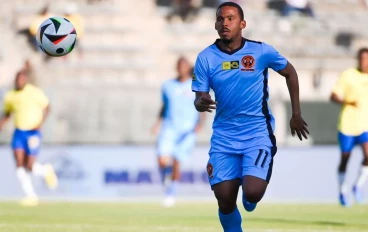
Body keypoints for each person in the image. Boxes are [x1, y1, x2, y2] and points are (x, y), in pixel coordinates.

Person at [192, 2, 309, 231]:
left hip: (257, 133)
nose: (224, 23)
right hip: (224, 136)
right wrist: (200, 102)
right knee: (225, 201)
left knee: (252, 193)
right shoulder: (205, 58)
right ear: (215, 24)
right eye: (220, 19)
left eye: (230, 18)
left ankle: (250, 195)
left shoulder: (261, 52)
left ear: (242, 23)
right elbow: (199, 97)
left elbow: (290, 72)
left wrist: (296, 113)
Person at [152, 57, 205, 207]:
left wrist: (200, 124)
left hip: (187, 130)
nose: (182, 67)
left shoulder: (196, 85)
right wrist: (157, 123)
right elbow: (164, 105)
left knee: (176, 160)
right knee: (162, 160)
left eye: (184, 65)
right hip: (169, 127)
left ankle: (171, 193)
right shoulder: (168, 86)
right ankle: (166, 179)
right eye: (179, 65)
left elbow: (203, 105)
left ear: (188, 68)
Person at [0, 71, 58, 206]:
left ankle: (45, 170)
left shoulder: (34, 92)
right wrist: (2, 123)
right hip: (19, 133)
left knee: (30, 166)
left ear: (25, 80)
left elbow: (48, 107)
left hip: (33, 133)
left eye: (22, 79)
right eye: (17, 79)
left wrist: (40, 124)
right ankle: (31, 196)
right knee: (19, 163)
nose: (19, 81)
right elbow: (8, 112)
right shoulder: (10, 96)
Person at [330, 47, 368, 207]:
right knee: (345, 159)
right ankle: (342, 190)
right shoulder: (348, 75)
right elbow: (333, 96)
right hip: (347, 125)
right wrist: (348, 102)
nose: (364, 62)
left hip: (364, 125)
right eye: (362, 59)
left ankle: (358, 186)